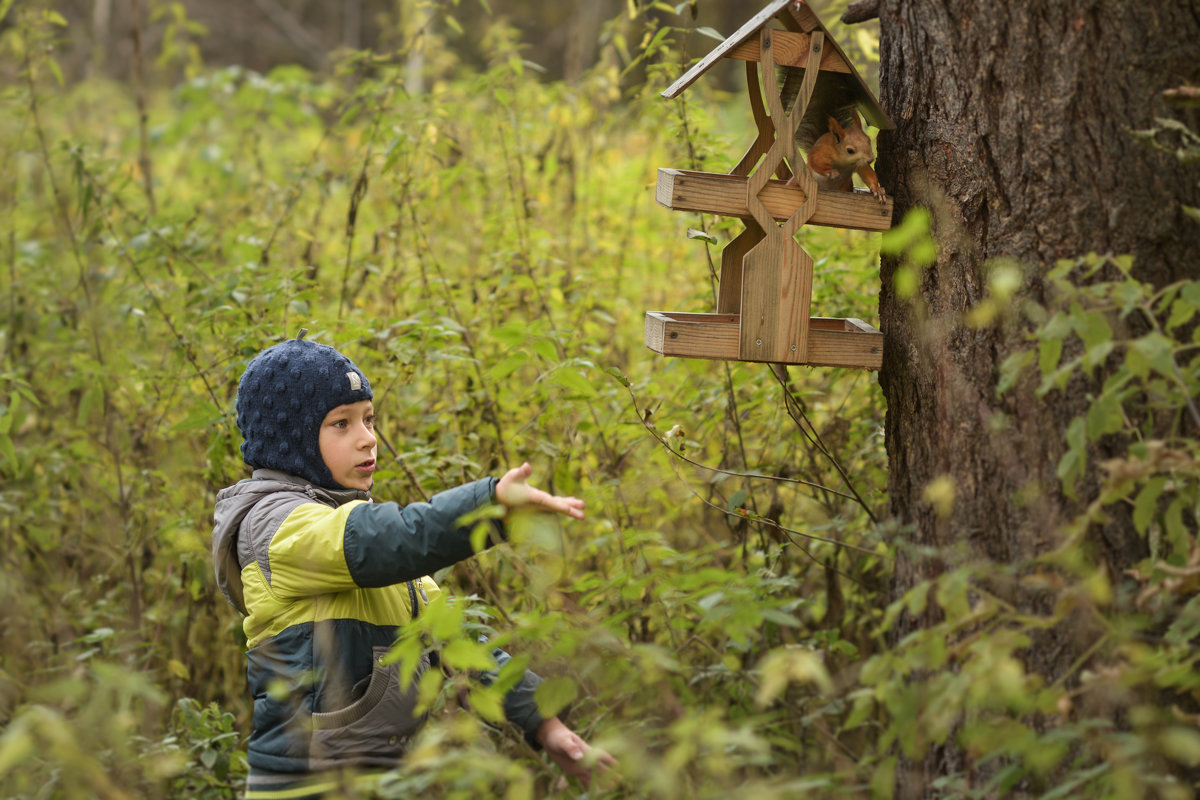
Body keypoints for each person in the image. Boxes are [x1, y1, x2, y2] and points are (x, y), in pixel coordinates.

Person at [211, 334, 612, 799]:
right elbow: (391, 540)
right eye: (340, 424)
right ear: (291, 443)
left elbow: (458, 643)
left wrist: (545, 725)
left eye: (369, 419)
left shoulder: (360, 538)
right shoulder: (273, 526)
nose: (367, 438)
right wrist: (489, 505)